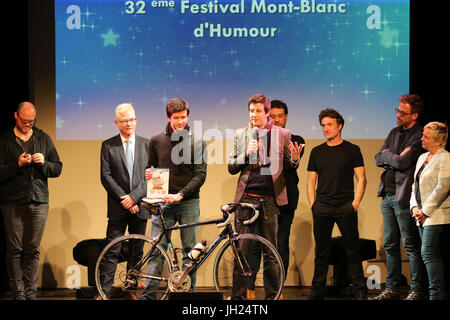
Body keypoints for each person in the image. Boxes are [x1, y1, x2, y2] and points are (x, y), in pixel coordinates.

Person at [228, 94, 302, 300]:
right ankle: (238, 299)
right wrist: (245, 154)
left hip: (270, 200)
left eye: (258, 111)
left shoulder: (283, 134)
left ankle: (273, 297)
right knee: (242, 252)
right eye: (251, 111)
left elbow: (288, 165)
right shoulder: (241, 134)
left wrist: (295, 160)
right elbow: (231, 167)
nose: (254, 115)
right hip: (246, 200)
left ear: (267, 112)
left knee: (272, 253)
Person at [140, 98, 207, 300]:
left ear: (188, 116)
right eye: (176, 118)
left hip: (188, 202)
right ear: (168, 117)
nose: (180, 122)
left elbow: (200, 175)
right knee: (156, 251)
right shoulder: (156, 140)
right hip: (162, 204)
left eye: (183, 117)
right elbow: (150, 167)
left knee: (190, 252)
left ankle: (187, 296)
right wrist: (149, 174)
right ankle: (148, 296)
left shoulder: (197, 141)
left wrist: (180, 194)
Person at [0, 102, 62, 300]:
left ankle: (31, 293)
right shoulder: (5, 141)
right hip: (12, 202)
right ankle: (18, 293)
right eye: (25, 121)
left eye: (32, 121)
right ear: (16, 116)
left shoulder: (43, 138)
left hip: (39, 201)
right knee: (15, 250)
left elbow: (57, 168)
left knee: (32, 250)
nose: (28, 124)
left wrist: (44, 164)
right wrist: (16, 164)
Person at [306, 108, 367, 300]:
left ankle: (359, 289)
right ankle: (317, 291)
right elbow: (310, 181)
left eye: (329, 124)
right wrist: (313, 205)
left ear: (339, 125)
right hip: (322, 207)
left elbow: (362, 178)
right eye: (323, 125)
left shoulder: (352, 150)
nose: (326, 129)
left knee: (352, 250)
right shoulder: (317, 152)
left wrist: (355, 203)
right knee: (322, 252)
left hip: (345, 206)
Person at [373, 94, 425, 300]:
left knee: (410, 245)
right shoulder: (394, 132)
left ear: (414, 115)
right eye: (398, 111)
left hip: (403, 197)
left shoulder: (419, 135)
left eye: (402, 113)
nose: (398, 115)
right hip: (386, 195)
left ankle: (416, 289)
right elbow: (378, 157)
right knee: (390, 244)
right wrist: (391, 156)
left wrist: (389, 156)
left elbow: (404, 163)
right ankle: (392, 288)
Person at [97, 103, 150, 300]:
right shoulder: (108, 145)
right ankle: (104, 292)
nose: (129, 123)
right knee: (112, 249)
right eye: (125, 120)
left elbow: (151, 176)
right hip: (118, 207)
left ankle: (131, 291)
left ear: (136, 120)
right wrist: (125, 199)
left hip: (140, 206)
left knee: (137, 251)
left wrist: (134, 197)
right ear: (116, 123)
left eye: (132, 119)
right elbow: (106, 176)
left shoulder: (147, 144)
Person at [410, 122, 449, 300]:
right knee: (428, 253)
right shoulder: (422, 157)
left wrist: (425, 211)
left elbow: (442, 187)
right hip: (421, 214)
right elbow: (414, 186)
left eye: (426, 137)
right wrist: (414, 207)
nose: (422, 139)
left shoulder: (445, 157)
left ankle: (436, 294)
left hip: (436, 214)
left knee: (428, 252)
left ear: (438, 141)